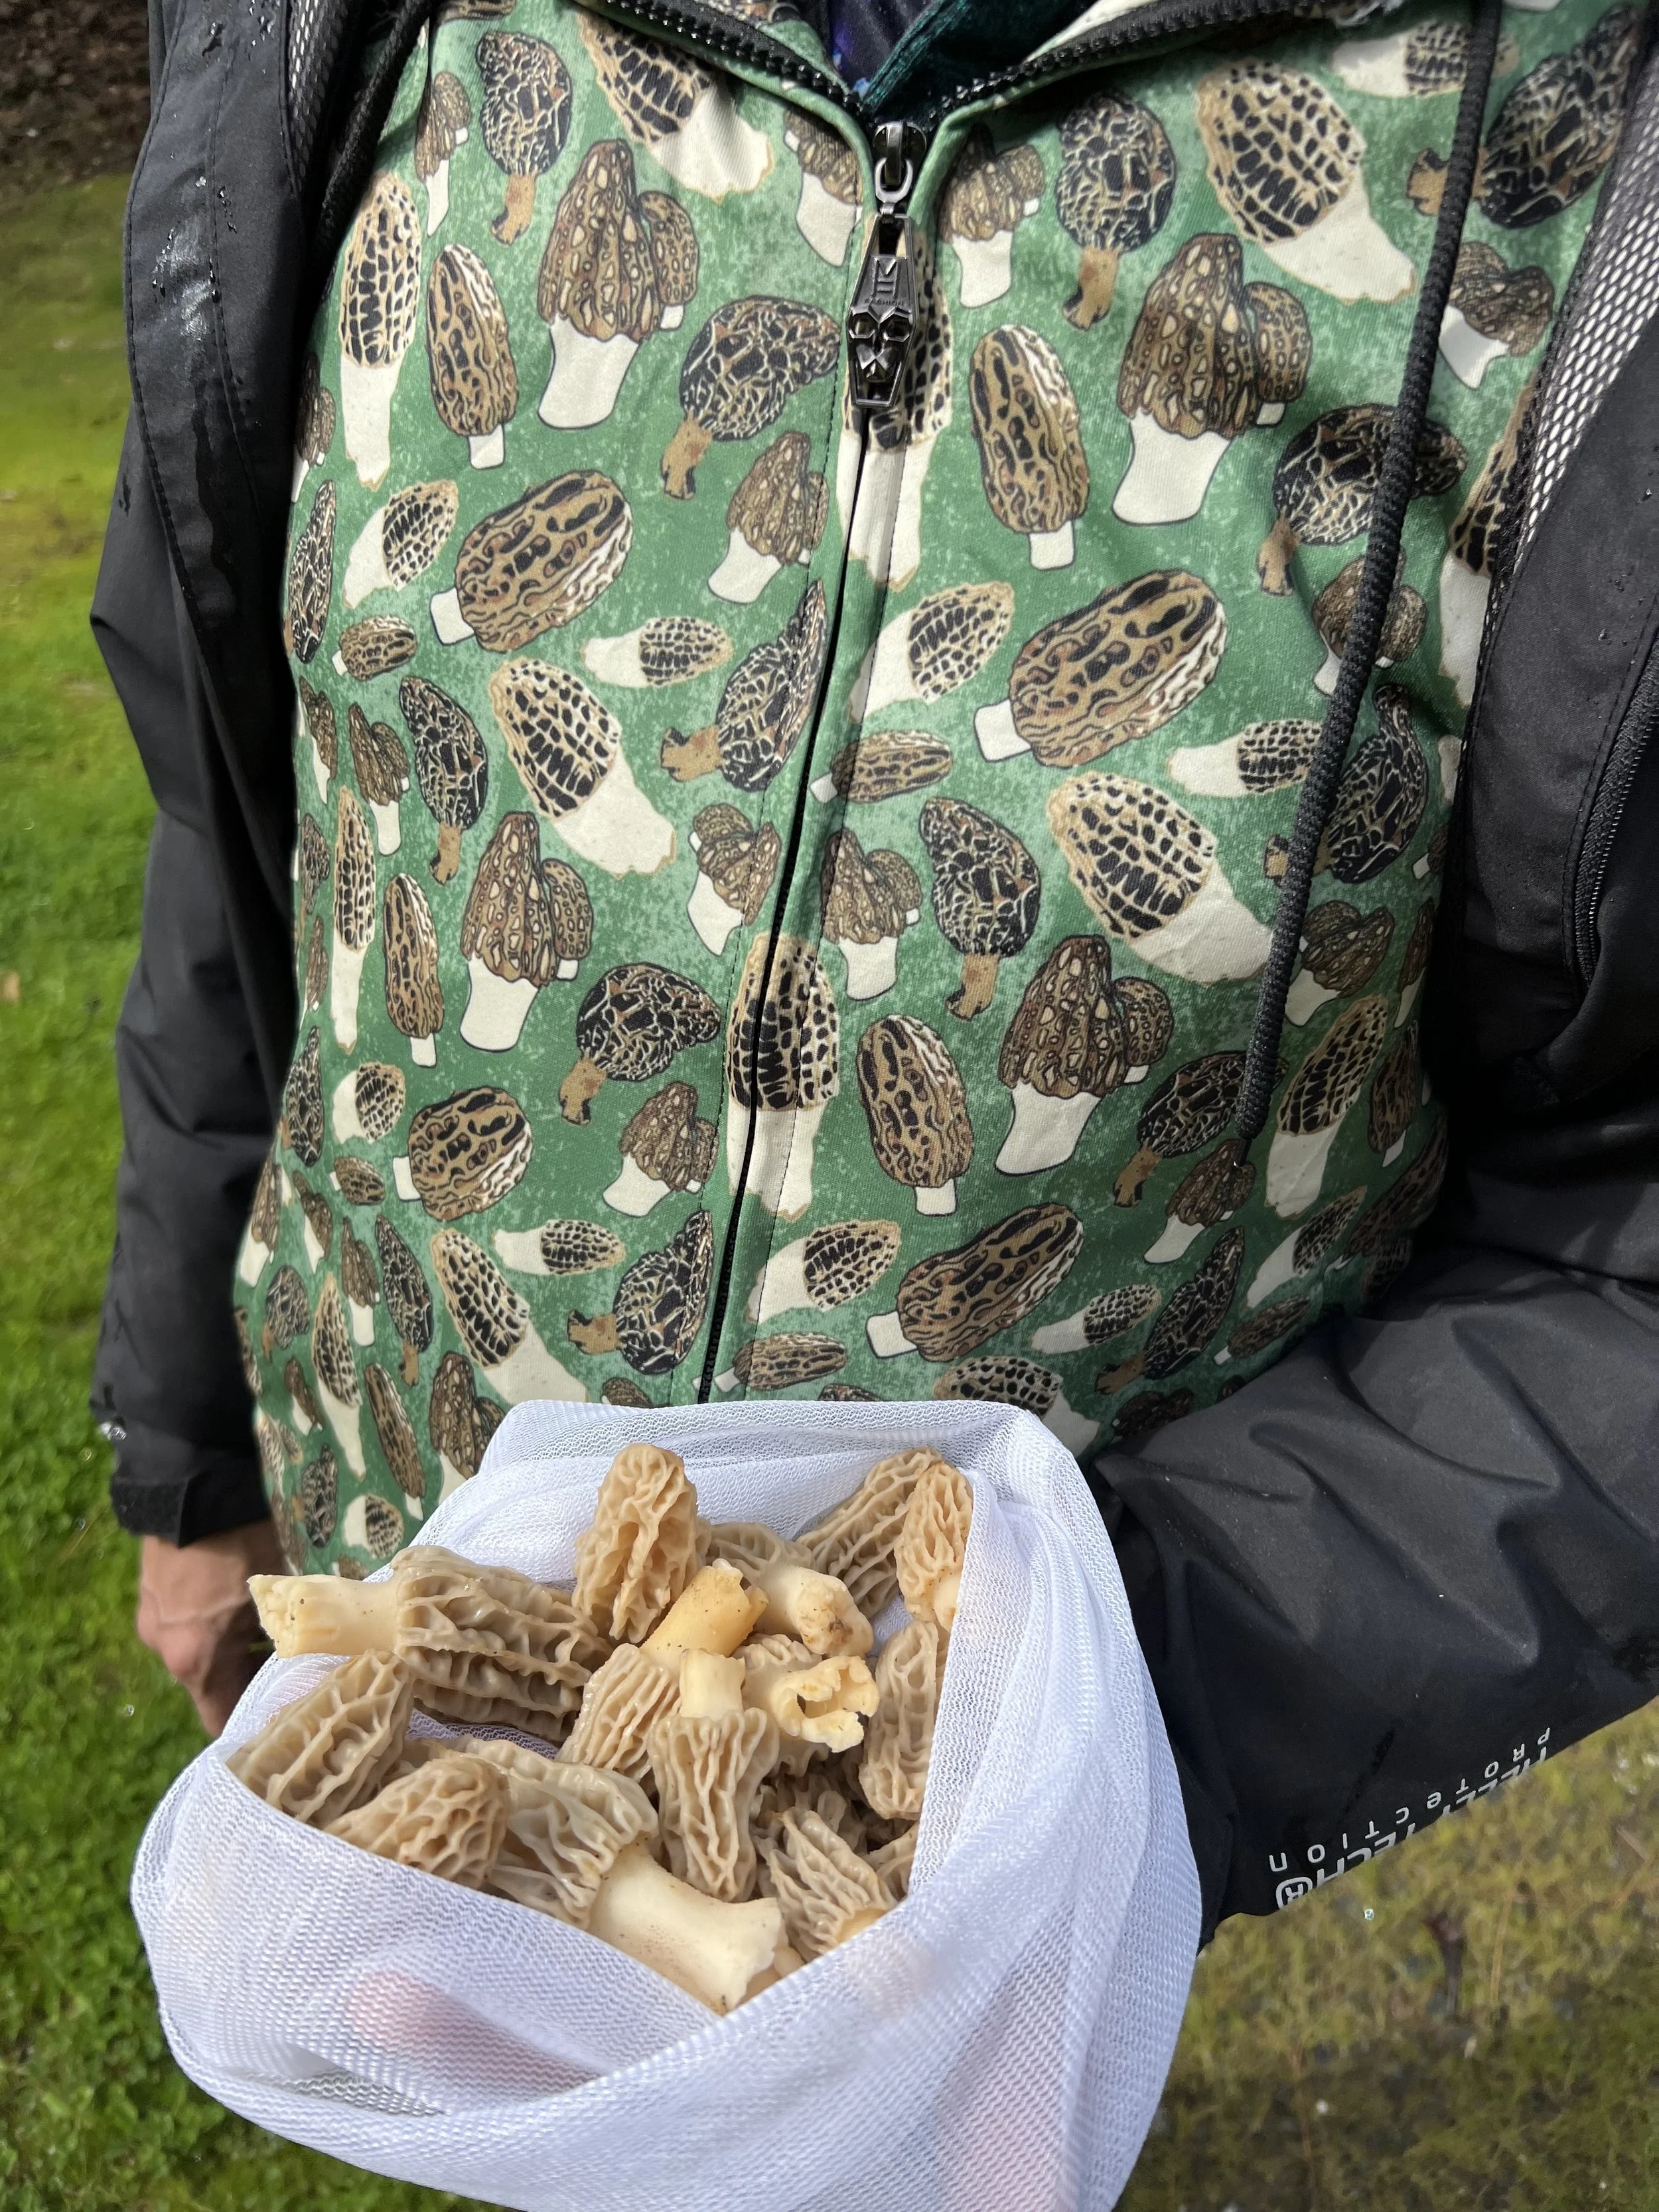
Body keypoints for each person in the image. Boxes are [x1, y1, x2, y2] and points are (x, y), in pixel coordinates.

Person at [96, 0, 1659, 1933]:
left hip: (966, 1828)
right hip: (404, 1581)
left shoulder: (1602, 186)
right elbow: (254, 805)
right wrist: (183, 1431)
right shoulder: (340, 32)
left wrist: (1141, 1713)